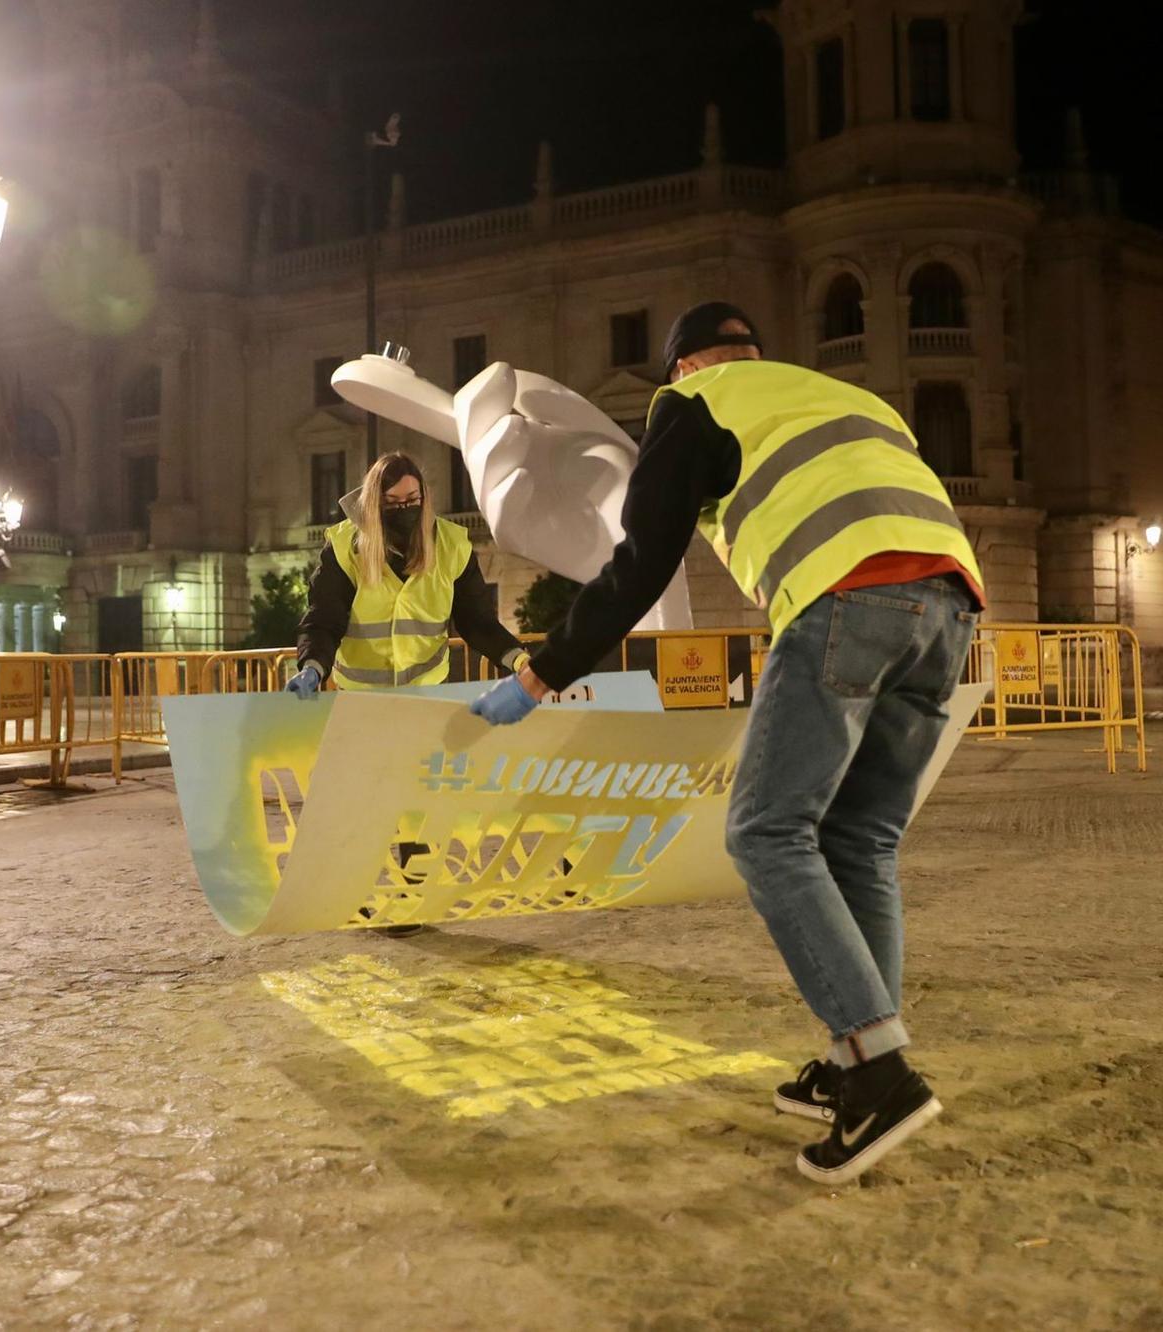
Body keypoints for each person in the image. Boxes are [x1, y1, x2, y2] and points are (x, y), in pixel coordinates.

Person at [469, 301, 983, 1187]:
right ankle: (861, 1063)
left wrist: (541, 673)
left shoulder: (694, 405)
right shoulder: (842, 397)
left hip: (844, 597)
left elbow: (641, 560)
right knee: (859, 842)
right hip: (951, 608)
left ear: (681, 369)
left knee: (765, 830)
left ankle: (882, 1068)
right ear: (751, 351)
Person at [288, 450, 528, 935]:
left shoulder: (453, 547)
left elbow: (478, 623)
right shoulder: (345, 549)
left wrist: (519, 660)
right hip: (364, 703)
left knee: (418, 804)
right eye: (394, 501)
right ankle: (357, 894)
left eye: (414, 499)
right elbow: (325, 620)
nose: (406, 509)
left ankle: (413, 899)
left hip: (425, 699)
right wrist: (313, 666)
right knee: (368, 802)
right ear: (375, 503)